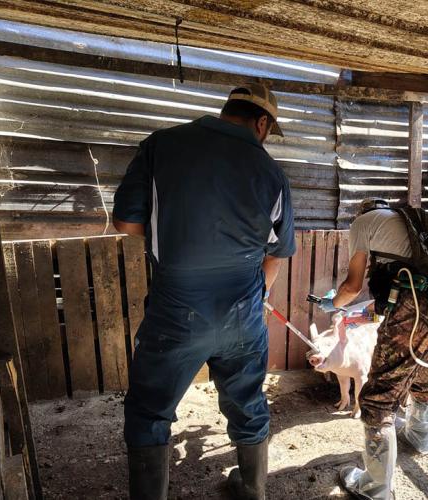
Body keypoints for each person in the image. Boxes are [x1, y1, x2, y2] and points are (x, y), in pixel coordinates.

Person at [112, 83, 295, 500]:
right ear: (261, 122)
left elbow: (126, 223)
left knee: (149, 411)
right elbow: (277, 253)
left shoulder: (162, 146)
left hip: (177, 310)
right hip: (243, 313)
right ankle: (252, 489)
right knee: (248, 401)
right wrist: (254, 301)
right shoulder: (272, 174)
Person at [318, 198, 428, 500]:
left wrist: (331, 303)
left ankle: (375, 488)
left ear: (363, 213)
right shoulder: (414, 226)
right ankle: (420, 438)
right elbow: (395, 295)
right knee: (424, 373)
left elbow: (351, 287)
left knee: (377, 399)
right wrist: (358, 314)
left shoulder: (363, 224)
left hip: (417, 310)